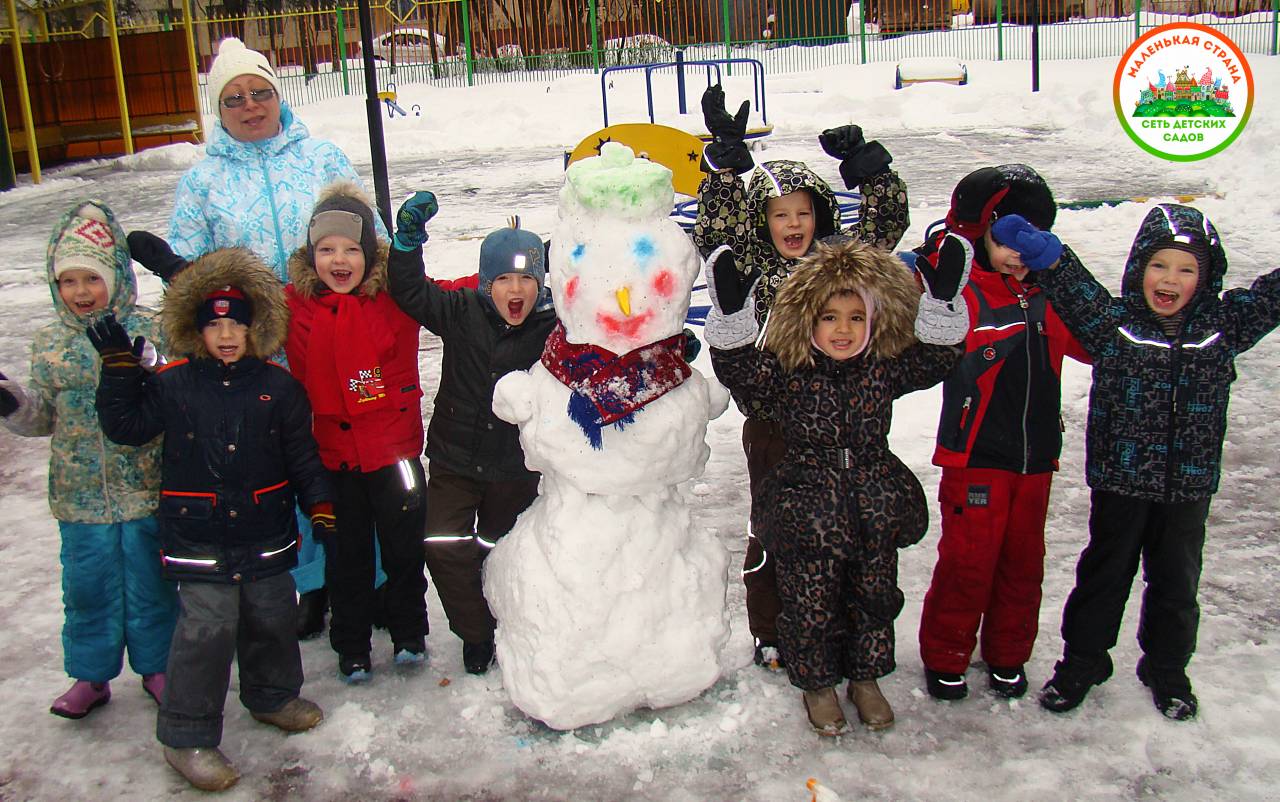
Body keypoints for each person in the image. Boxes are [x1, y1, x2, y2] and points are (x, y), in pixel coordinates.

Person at [703, 232, 970, 735]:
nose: (842, 330)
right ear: (808, 322)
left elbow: (937, 358)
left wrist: (941, 304)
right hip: (809, 507)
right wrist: (736, 319)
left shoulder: (883, 369)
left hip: (872, 502)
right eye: (829, 318)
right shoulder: (790, 371)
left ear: (875, 321)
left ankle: (865, 677)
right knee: (811, 599)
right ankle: (818, 683)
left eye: (855, 318)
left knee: (873, 595)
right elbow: (739, 369)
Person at [163, 37, 386, 637]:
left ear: (277, 94)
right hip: (257, 353)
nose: (251, 105)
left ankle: (376, 578)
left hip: (335, 339)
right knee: (288, 463)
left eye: (260, 92)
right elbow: (185, 272)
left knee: (359, 454)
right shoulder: (203, 181)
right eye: (234, 97)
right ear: (219, 107)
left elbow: (372, 237)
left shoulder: (320, 158)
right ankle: (311, 583)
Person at [1023, 203, 1280, 721]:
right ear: (1139, 267)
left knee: (1177, 582)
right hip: (1120, 481)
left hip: (1187, 486)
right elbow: (1074, 287)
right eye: (1159, 265)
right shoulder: (1114, 326)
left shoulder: (1221, 328)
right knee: (1104, 574)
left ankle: (1166, 668)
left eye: (1187, 270)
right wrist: (1047, 254)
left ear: (1205, 280)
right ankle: (1083, 661)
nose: (1170, 279)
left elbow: (1271, 297)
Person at [91, 246, 331, 791]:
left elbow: (302, 455)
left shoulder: (280, 387)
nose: (225, 334)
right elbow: (126, 426)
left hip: (266, 530)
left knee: (271, 614)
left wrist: (319, 504)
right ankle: (186, 734)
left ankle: (272, 696)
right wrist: (119, 373)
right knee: (206, 629)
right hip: (197, 535)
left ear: (255, 328)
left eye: (236, 324)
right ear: (196, 330)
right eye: (214, 324)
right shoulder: (173, 385)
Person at [693, 83, 911, 670]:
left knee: (847, 531)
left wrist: (872, 169)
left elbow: (886, 224)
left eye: (803, 212)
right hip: (774, 424)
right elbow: (712, 239)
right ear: (763, 221)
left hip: (845, 426)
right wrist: (722, 165)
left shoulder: (840, 262)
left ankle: (837, 627)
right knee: (775, 529)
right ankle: (770, 627)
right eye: (780, 213)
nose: (793, 224)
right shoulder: (754, 264)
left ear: (820, 214)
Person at [914, 165, 1091, 702]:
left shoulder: (1048, 296)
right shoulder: (965, 293)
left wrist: (1061, 269)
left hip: (1036, 460)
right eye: (1007, 236)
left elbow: (1099, 337)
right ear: (980, 233)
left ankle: (1008, 651)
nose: (1018, 252)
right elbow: (916, 314)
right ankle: (946, 654)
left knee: (1023, 563)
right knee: (968, 563)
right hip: (976, 458)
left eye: (1031, 239)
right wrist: (934, 262)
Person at [0, 201, 177, 720]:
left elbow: (177, 387)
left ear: (117, 278)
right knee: (86, 587)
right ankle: (90, 674)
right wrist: (12, 403)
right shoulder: (51, 344)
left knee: (151, 583)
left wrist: (151, 364)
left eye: (92, 279)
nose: (81, 292)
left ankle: (158, 666)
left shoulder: (148, 329)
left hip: (144, 486)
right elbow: (42, 419)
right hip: (79, 497)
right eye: (69, 281)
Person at [386, 192, 557, 676]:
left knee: (500, 550)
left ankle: (507, 623)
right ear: (487, 282)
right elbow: (410, 292)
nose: (515, 288)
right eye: (504, 278)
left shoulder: (554, 327)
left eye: (526, 277)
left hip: (513, 467)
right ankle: (476, 633)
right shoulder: (461, 310)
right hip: (455, 460)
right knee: (442, 546)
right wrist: (407, 244)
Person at [284, 181, 429, 683]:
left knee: (405, 551)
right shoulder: (294, 305)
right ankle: (352, 646)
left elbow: (449, 293)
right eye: (326, 250)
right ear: (311, 255)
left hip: (395, 455)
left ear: (369, 254)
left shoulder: (395, 298)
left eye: (350, 249)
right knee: (345, 559)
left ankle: (410, 634)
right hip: (334, 459)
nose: (339, 260)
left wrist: (515, 273)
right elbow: (234, 314)